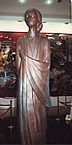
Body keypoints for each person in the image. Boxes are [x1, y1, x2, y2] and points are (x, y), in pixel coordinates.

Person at [16, 8, 51, 144]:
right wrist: (25, 66)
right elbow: (18, 68)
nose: (29, 16)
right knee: (25, 114)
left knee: (38, 116)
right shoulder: (20, 41)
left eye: (33, 15)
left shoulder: (45, 42)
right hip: (24, 84)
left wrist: (27, 60)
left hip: (39, 84)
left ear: (38, 20)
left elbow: (47, 65)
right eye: (27, 15)